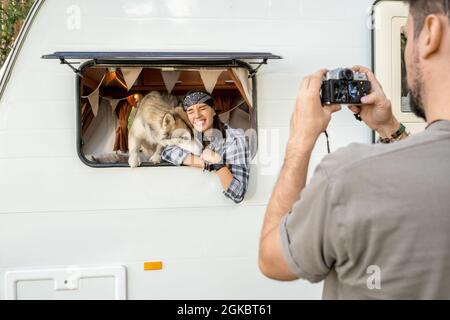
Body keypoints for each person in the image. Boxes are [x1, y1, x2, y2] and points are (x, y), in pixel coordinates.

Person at [258, 0, 450, 299]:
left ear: (430, 33)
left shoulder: (349, 175)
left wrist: (300, 139)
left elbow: (272, 260)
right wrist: (390, 130)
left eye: (406, 35)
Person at [161, 91, 250, 204]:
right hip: (193, 202)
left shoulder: (235, 138)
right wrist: (206, 163)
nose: (197, 115)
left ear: (213, 110)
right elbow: (167, 151)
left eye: (202, 108)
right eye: (190, 111)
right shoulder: (191, 136)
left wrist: (217, 161)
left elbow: (238, 193)